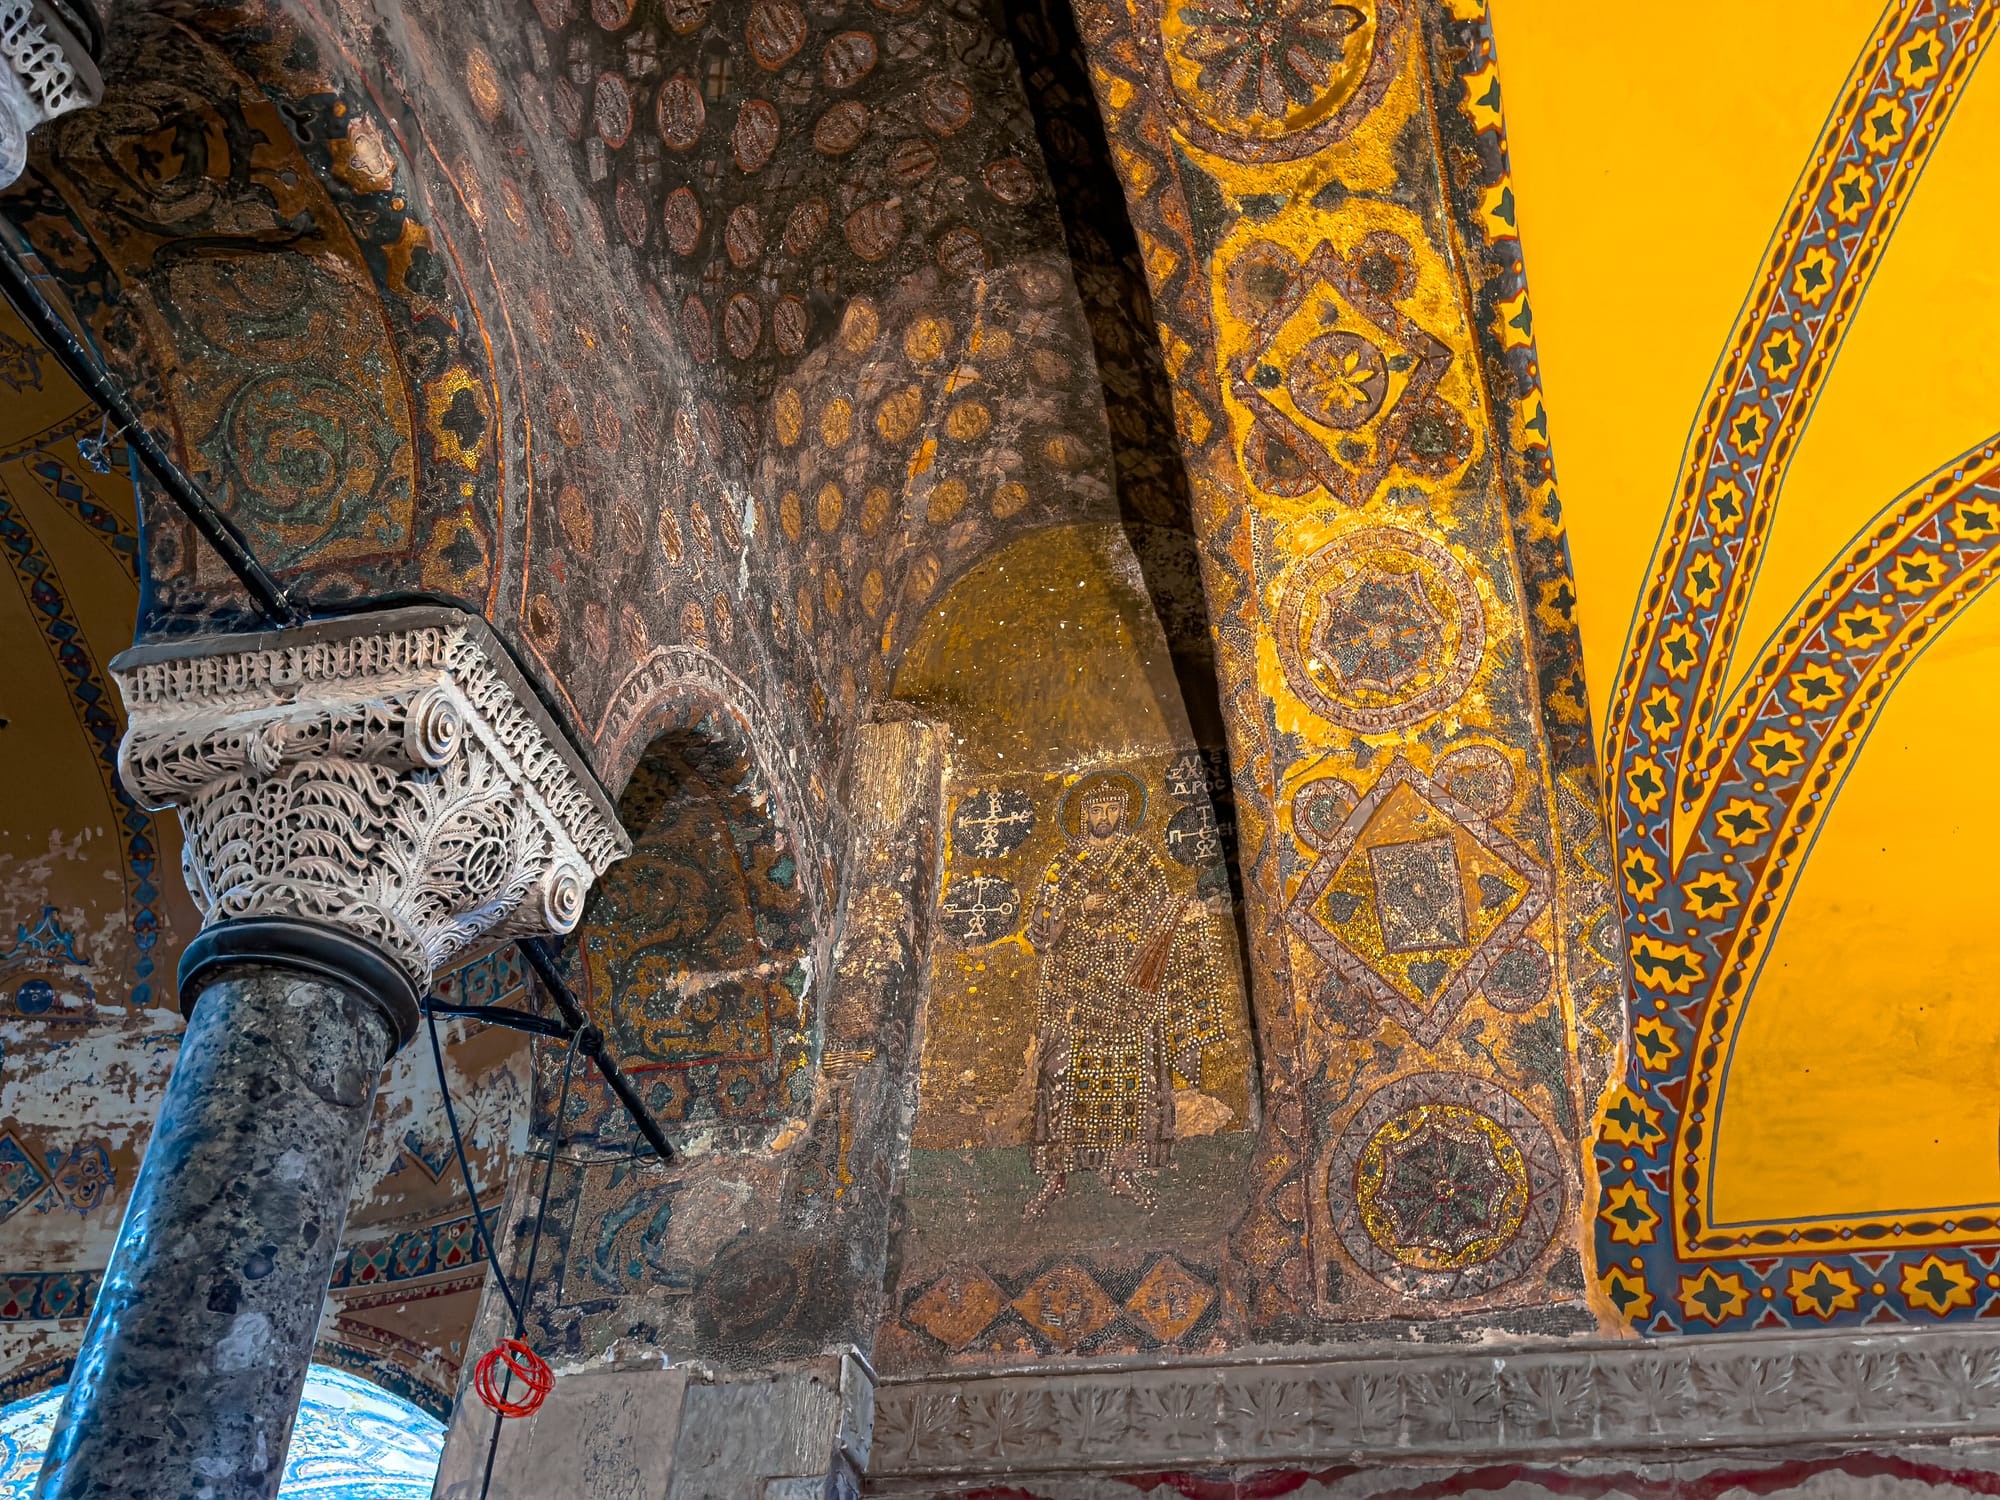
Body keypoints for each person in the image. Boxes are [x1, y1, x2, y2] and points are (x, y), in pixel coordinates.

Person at [1023, 778, 1223, 1217]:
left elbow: (1158, 911)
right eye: (1097, 810)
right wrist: (1076, 909)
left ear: (1125, 813)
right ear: (1083, 815)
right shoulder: (1063, 864)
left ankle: (1123, 1171)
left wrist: (1184, 912)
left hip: (1127, 990)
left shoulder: (1141, 860)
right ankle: (1057, 1175)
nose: (1105, 819)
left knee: (1131, 1074)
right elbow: (1039, 931)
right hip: (1073, 991)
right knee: (1060, 1076)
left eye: (1114, 810)